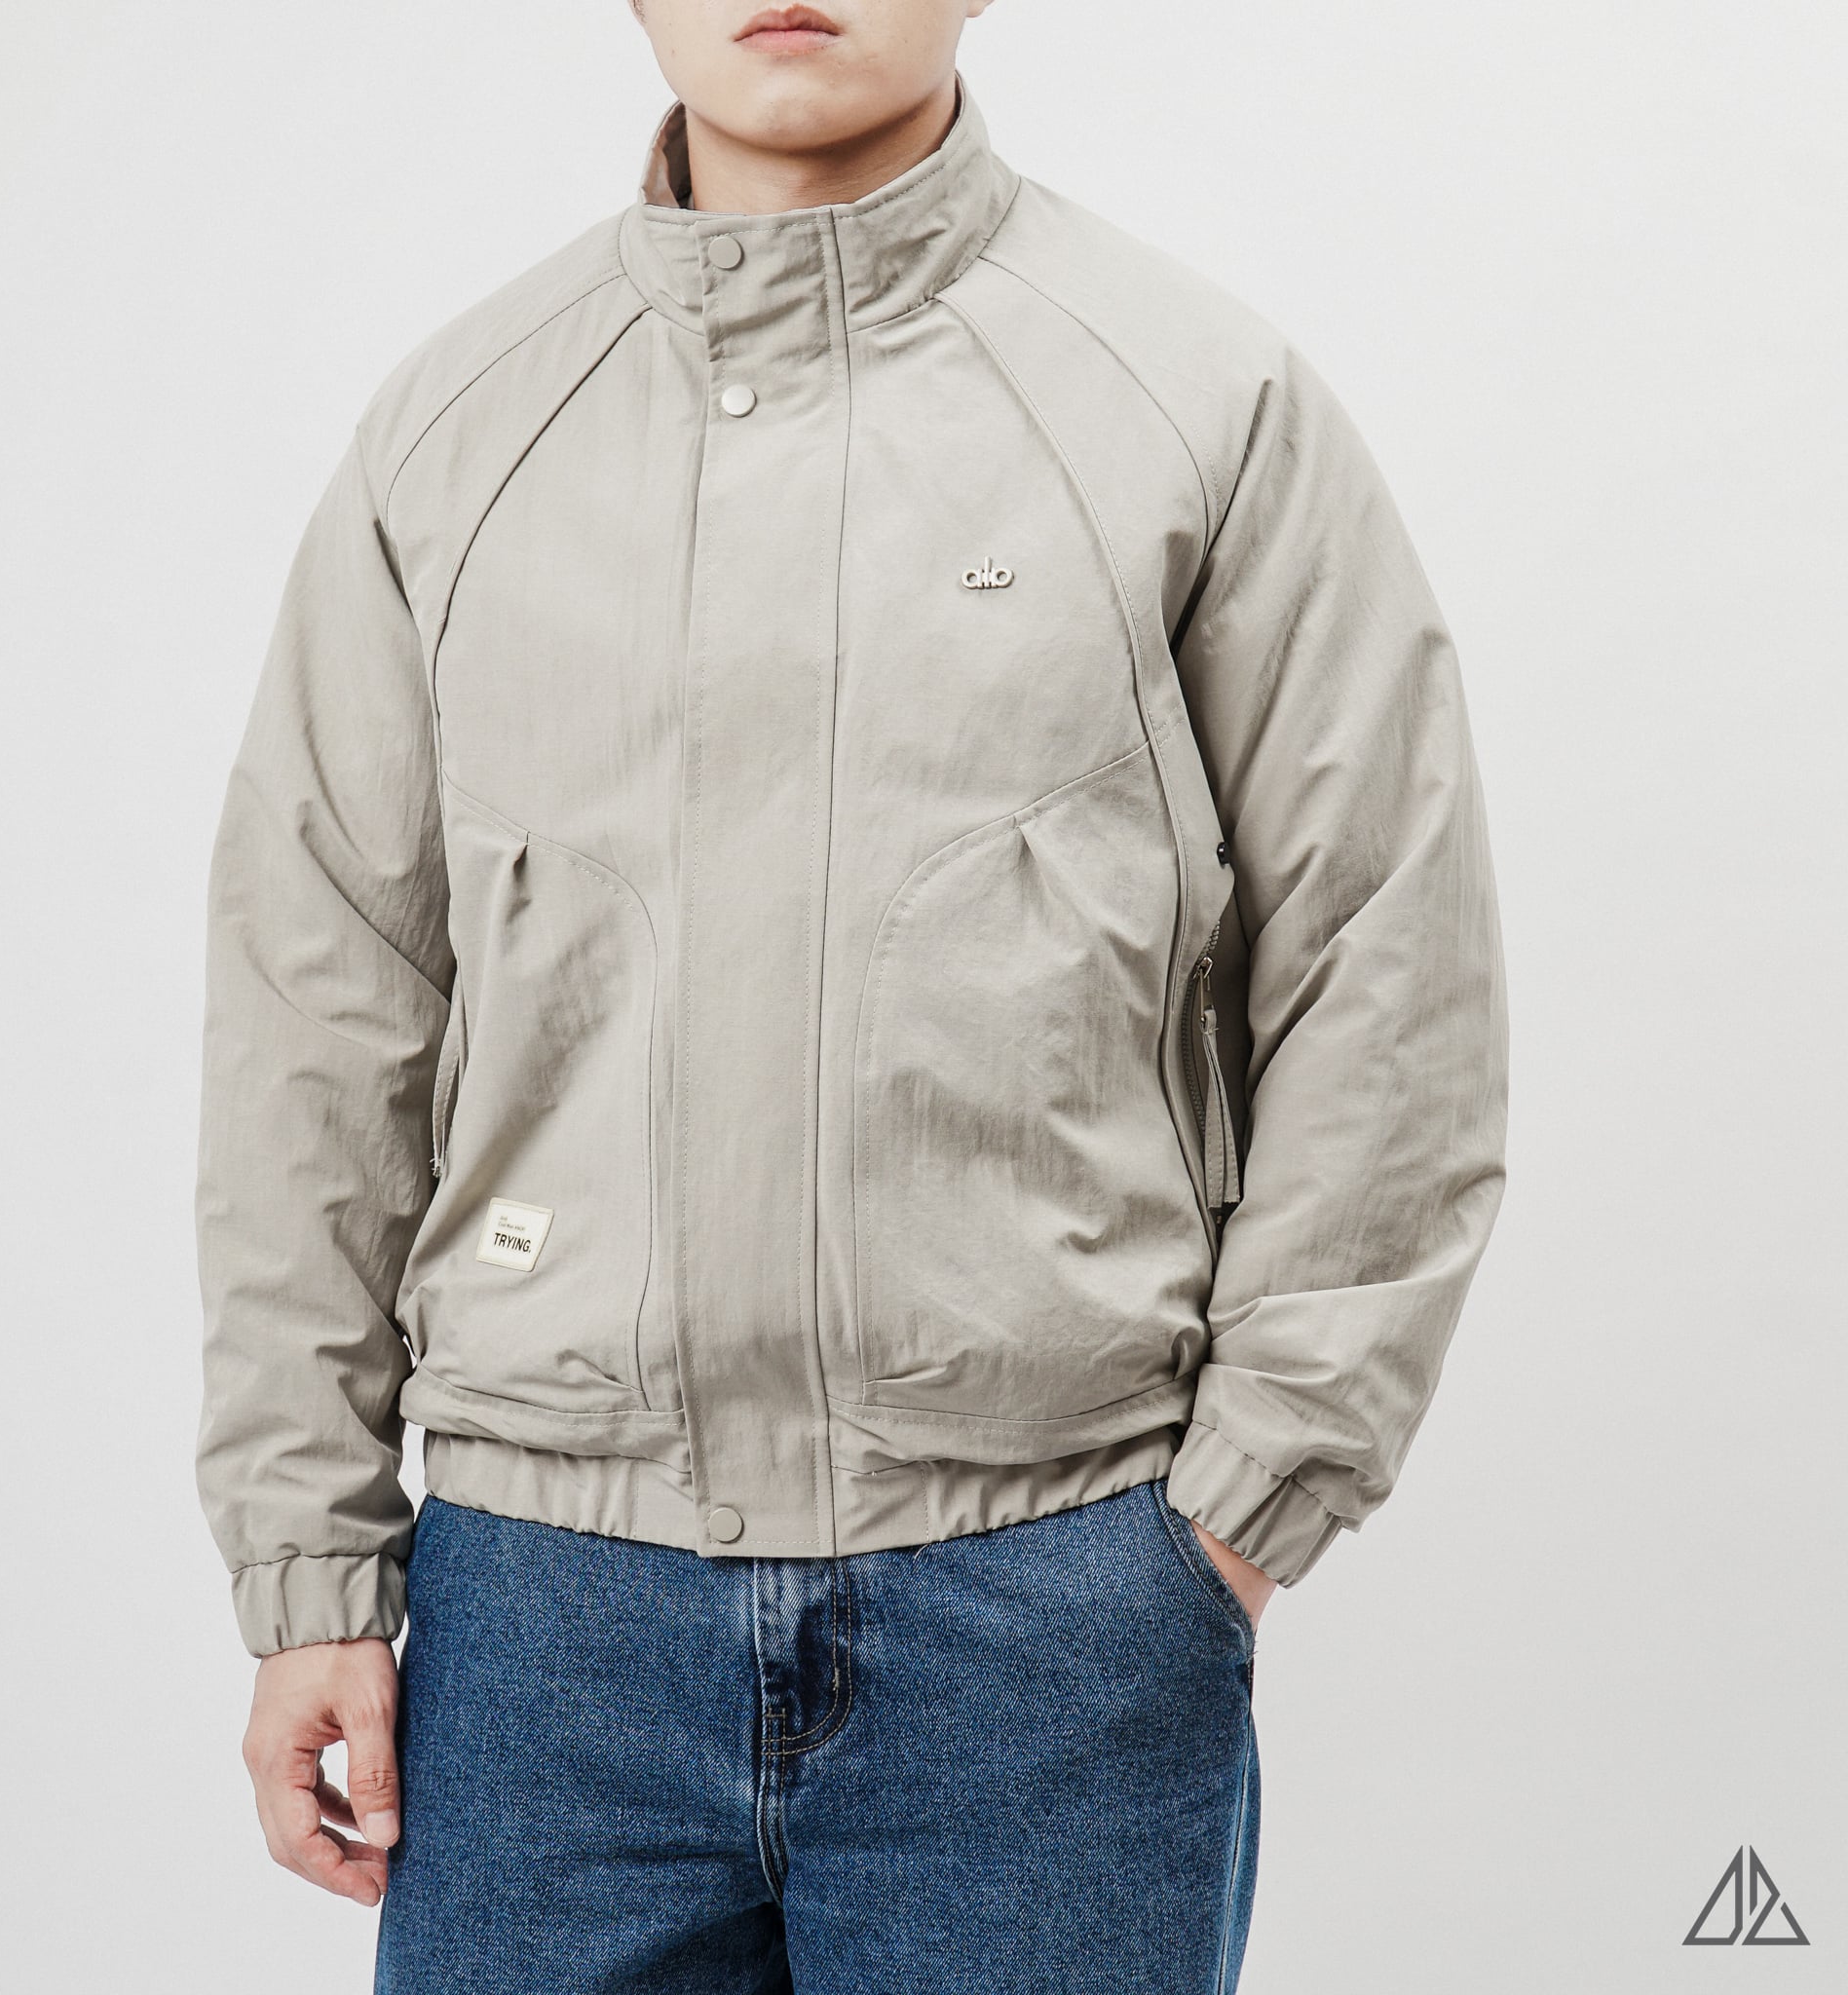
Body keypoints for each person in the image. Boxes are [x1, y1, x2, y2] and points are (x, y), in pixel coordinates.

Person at [193, 2, 1510, 1988]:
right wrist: (310, 1567)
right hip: (542, 1632)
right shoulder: (459, 436)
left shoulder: (1191, 404)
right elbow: (319, 1015)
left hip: (1050, 1614)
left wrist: (1239, 1510)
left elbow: (1387, 959)